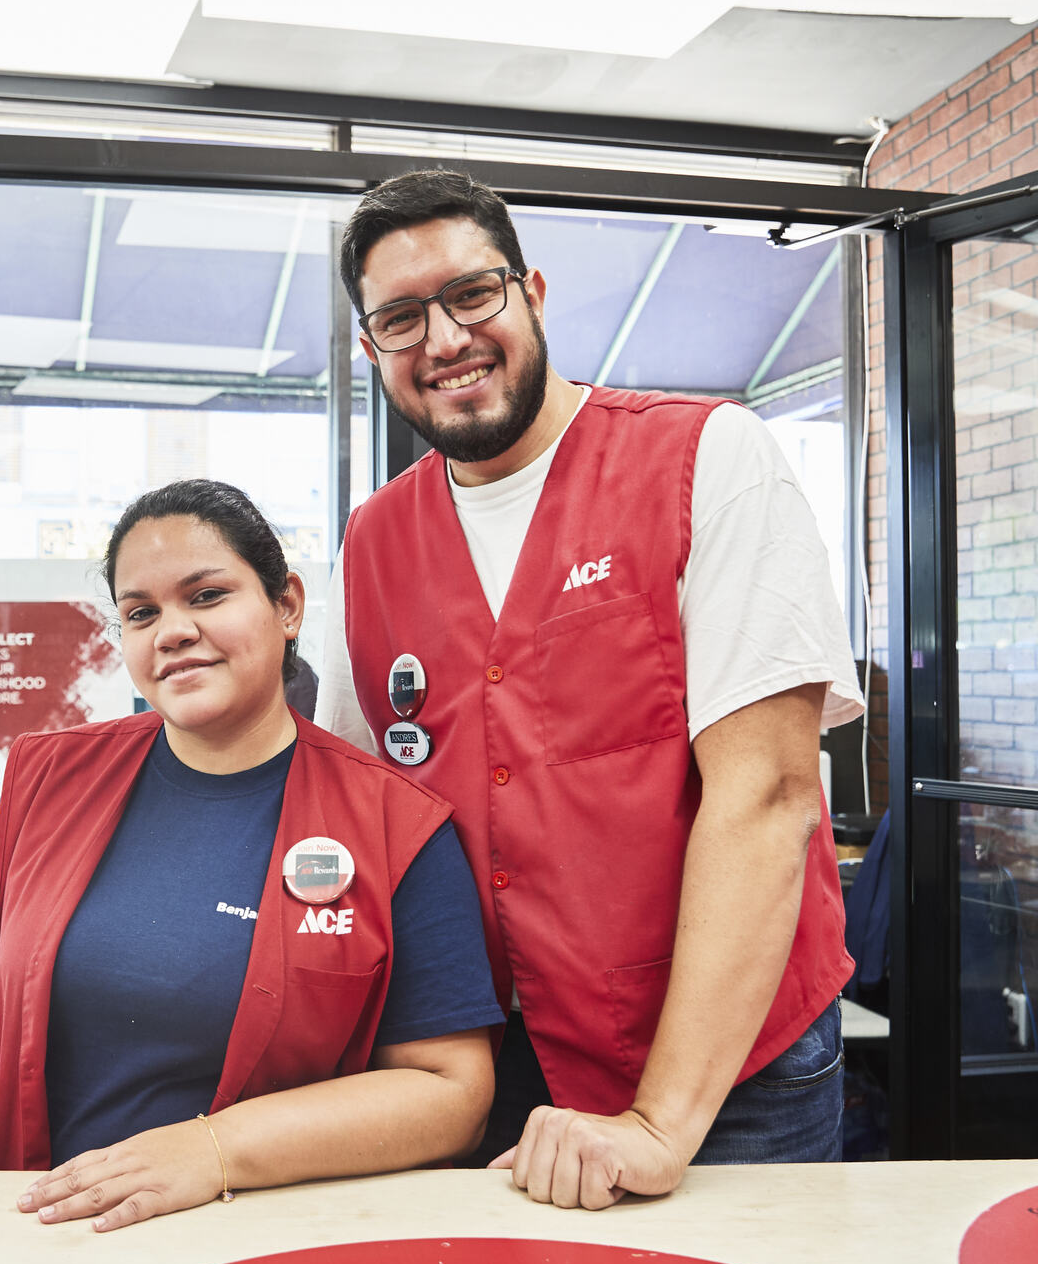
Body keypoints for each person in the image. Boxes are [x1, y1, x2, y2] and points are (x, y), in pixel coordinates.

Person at [0, 479, 501, 1230]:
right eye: (142, 611)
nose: (172, 630)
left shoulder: (397, 826)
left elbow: (452, 1092)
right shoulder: (48, 780)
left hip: (264, 1243)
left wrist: (213, 1150)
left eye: (206, 596)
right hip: (40, 1232)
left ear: (287, 604)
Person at [318, 169, 863, 1209]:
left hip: (724, 1069)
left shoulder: (707, 457)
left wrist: (661, 1124)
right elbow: (363, 815)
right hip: (490, 1069)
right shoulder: (372, 540)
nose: (441, 340)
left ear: (529, 289)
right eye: (398, 319)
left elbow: (768, 798)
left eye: (470, 296)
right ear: (369, 348)